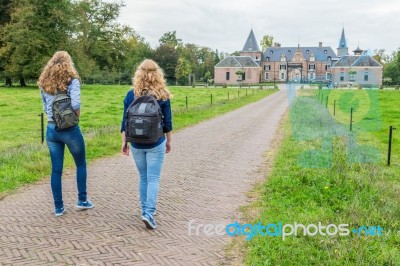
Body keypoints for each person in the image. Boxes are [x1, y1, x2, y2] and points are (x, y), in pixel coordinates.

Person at [38, 51, 94, 217]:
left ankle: (58, 207)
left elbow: (44, 107)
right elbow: (76, 104)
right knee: (81, 164)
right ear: (68, 63)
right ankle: (82, 200)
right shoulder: (72, 80)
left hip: (51, 129)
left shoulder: (44, 82)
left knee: (56, 170)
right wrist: (75, 118)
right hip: (69, 129)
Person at [121, 59, 172, 230]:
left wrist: (124, 142)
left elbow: (124, 122)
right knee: (153, 178)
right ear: (158, 74)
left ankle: (145, 210)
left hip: (136, 142)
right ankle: (149, 213)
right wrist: (169, 141)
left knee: (143, 178)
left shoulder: (131, 94)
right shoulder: (162, 95)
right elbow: (168, 123)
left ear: (139, 74)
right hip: (155, 141)